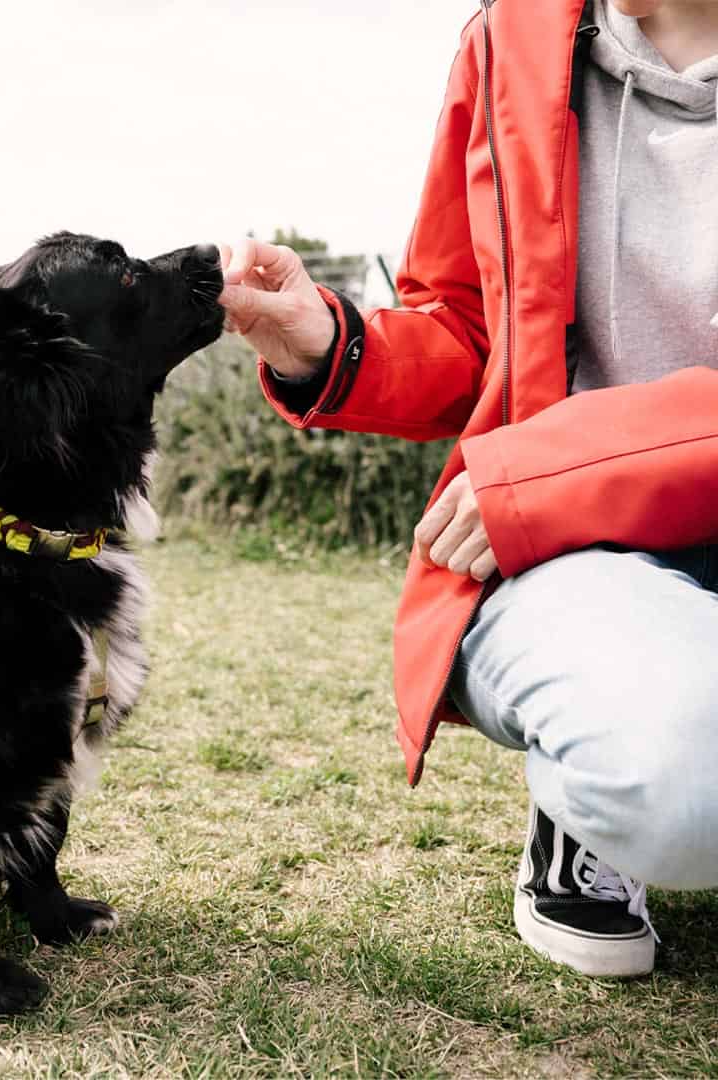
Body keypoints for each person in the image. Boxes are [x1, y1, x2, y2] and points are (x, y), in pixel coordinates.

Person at [218, 0, 718, 979]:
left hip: (550, 496)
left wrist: (560, 473)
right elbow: (469, 335)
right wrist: (330, 343)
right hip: (587, 564)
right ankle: (592, 801)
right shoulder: (510, 40)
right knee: (678, 779)